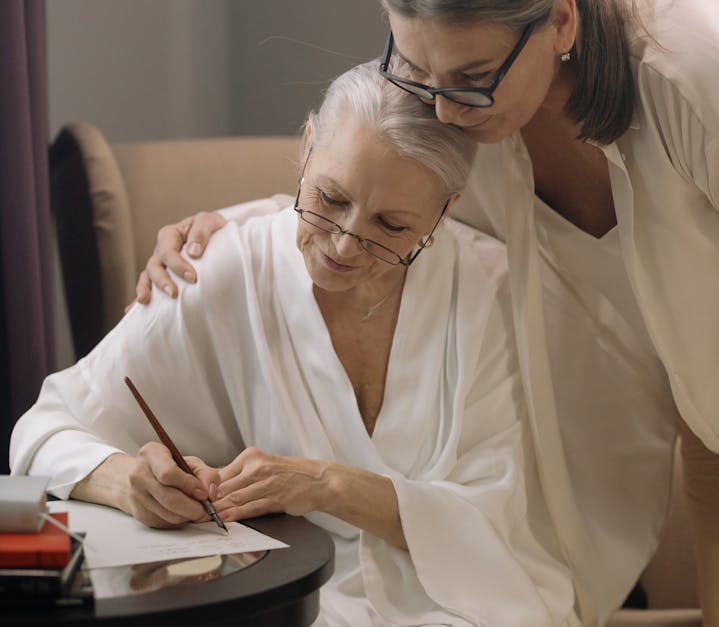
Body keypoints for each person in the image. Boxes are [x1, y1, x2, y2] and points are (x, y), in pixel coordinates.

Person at [137, 1, 719, 625]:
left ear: (560, 19)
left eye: (470, 75)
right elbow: (394, 192)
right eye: (414, 69)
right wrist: (247, 223)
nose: (444, 108)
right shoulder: (477, 112)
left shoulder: (701, 66)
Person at [10, 62, 582, 627]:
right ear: (307, 148)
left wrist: (327, 485)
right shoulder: (219, 271)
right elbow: (43, 428)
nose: (344, 245)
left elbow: (503, 523)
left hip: (474, 605)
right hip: (295, 603)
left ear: (444, 211)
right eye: (331, 199)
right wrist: (124, 481)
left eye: (391, 226)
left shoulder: (494, 292)